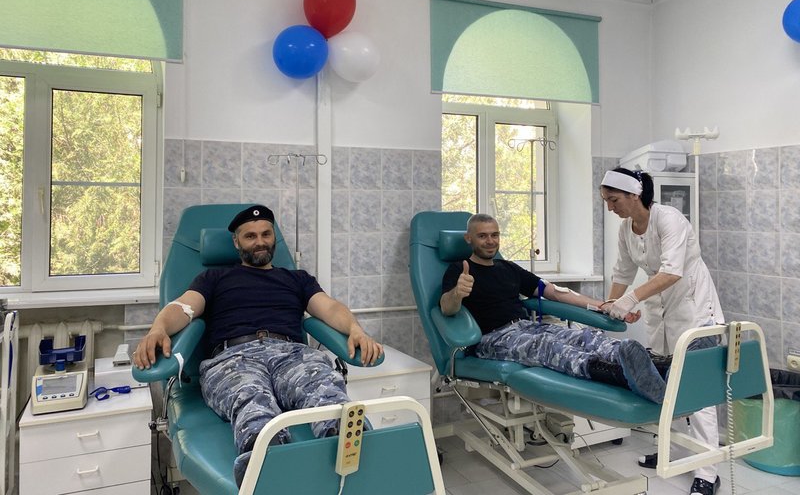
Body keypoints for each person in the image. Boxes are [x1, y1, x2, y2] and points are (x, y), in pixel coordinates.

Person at [133, 205, 383, 486]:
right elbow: (183, 307)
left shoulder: (297, 279)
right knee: (251, 399)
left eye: (266, 234)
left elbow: (330, 308)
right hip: (233, 359)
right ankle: (269, 470)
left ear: (274, 237)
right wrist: (158, 329)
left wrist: (355, 329)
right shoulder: (214, 278)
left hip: (292, 355)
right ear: (236, 242)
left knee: (324, 390)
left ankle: (358, 460)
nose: (260, 241)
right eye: (250, 236)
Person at [440, 213, 671, 404]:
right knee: (548, 346)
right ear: (468, 238)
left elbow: (553, 292)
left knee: (584, 337)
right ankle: (622, 376)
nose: (490, 241)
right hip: (493, 338)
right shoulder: (459, 270)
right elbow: (447, 308)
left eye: (494, 235)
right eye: (482, 236)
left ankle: (659, 365)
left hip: (527, 327)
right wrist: (458, 293)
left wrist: (603, 306)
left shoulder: (508, 268)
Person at [601, 167, 724, 495]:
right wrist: (610, 306)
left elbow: (672, 272)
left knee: (698, 391)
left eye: (614, 200)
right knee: (665, 384)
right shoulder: (626, 229)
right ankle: (673, 450)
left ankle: (707, 472)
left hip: (694, 310)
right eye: (606, 201)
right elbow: (623, 271)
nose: (610, 207)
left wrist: (630, 299)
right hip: (661, 314)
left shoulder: (669, 219)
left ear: (634, 194)